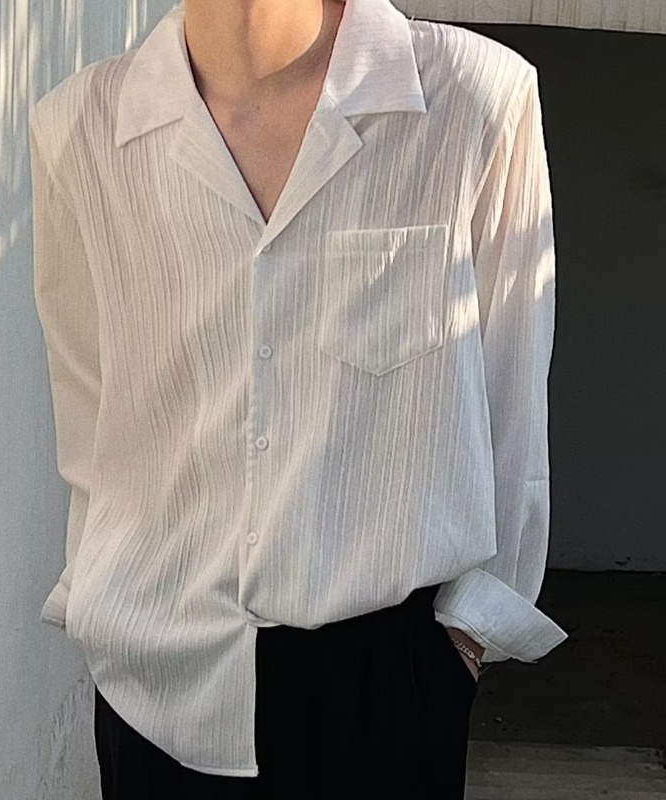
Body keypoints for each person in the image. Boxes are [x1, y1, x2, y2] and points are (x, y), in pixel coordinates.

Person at [28, 0, 569, 797]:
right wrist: (101, 597)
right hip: (155, 671)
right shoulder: (80, 129)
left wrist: (464, 638)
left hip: (387, 683)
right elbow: (89, 407)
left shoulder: (472, 98)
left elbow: (510, 401)